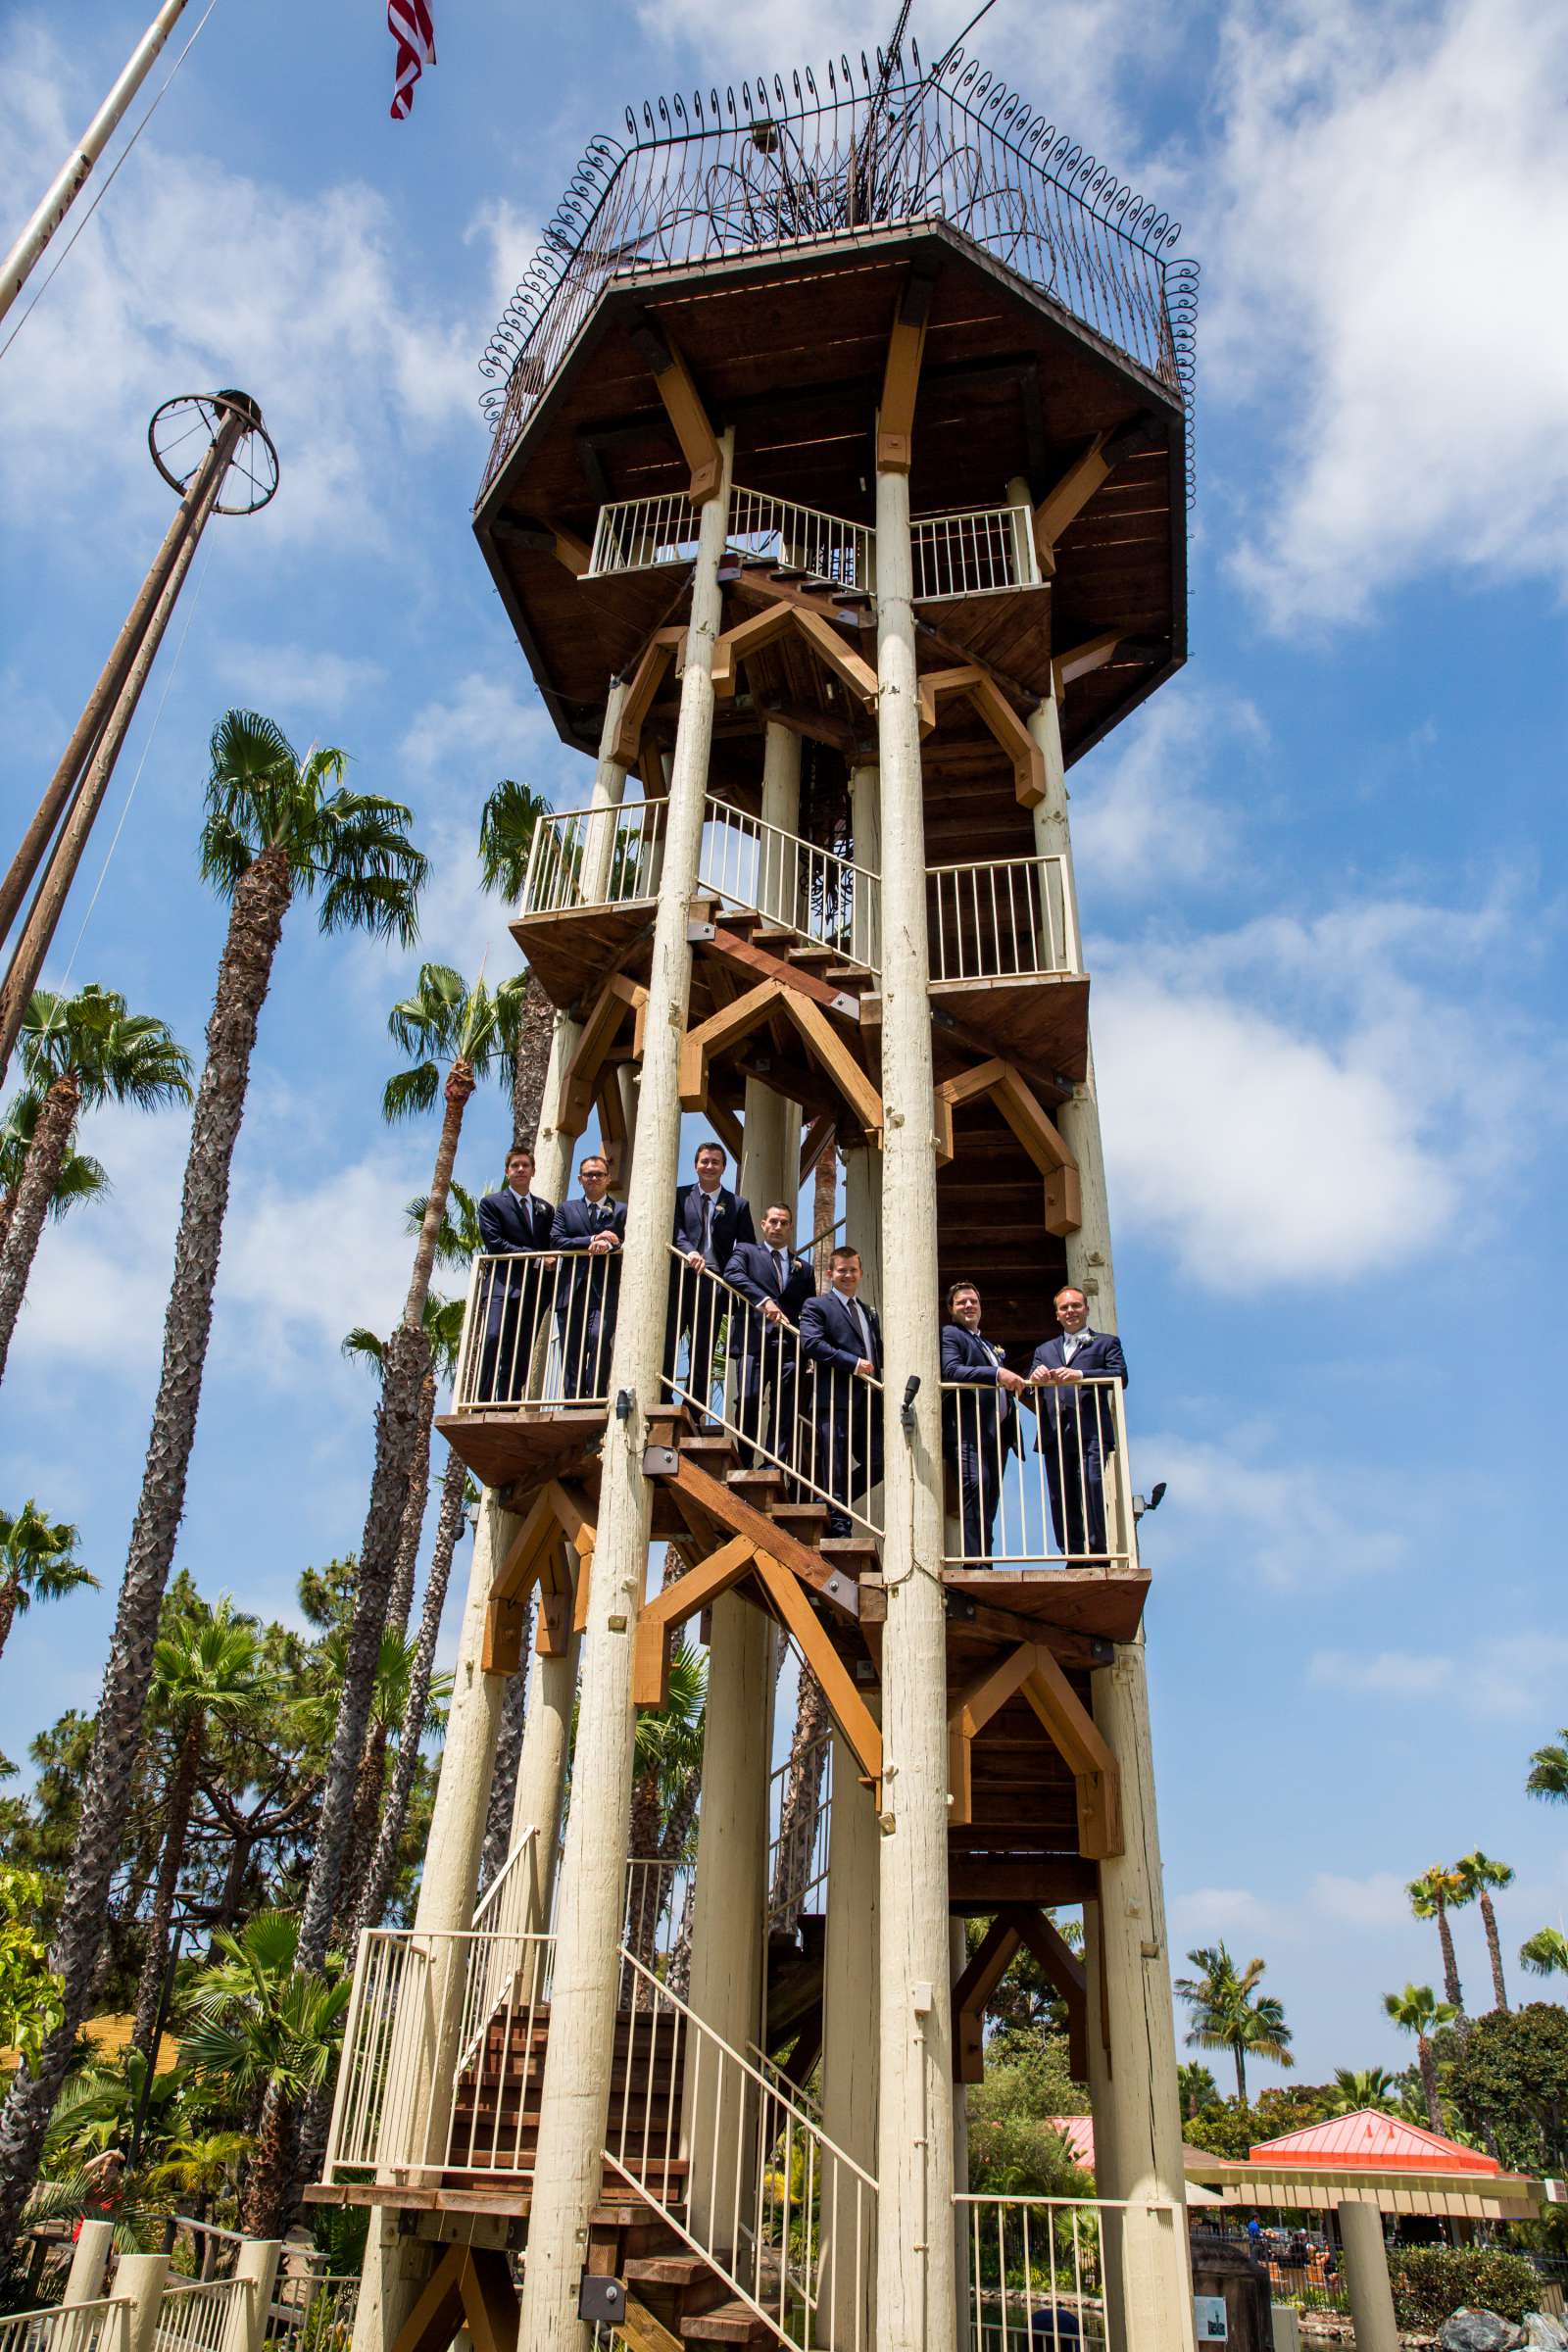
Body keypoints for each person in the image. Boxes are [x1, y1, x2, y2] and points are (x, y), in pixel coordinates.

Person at [1029, 1284, 1128, 1559]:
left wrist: (1080, 1375)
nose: (1070, 1311)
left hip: (1091, 1428)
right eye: (1064, 1307)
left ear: (1086, 1309)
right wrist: (1035, 1378)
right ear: (1057, 1315)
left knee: (1093, 1483)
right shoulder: (1044, 1350)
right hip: (1055, 1431)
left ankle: (1098, 1550)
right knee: (1061, 1494)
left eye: (1075, 1306)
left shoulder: (1106, 1342)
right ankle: (1072, 1553)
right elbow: (1027, 1389)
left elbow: (1120, 1376)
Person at [941, 1280, 1028, 1562]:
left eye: (973, 1301)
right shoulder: (951, 1335)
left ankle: (984, 1558)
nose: (968, 1305)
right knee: (976, 1488)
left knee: (989, 1498)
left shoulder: (989, 1344)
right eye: (962, 1302)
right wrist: (997, 1374)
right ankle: (975, 1561)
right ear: (951, 1309)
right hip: (968, 1431)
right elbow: (951, 1369)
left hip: (996, 1435)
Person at [665, 1140, 755, 1412]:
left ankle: (693, 1409)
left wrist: (730, 1272)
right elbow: (676, 1231)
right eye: (704, 1161)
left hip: (714, 1285)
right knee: (668, 1344)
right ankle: (663, 1400)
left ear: (724, 1167)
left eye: (715, 1162)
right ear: (695, 1166)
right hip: (681, 1279)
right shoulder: (679, 1196)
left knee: (703, 1351)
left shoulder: (737, 1204)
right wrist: (689, 1252)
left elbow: (746, 1246)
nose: (709, 1166)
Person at [799, 1246, 882, 1537]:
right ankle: (838, 1523)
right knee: (834, 1460)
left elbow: (877, 1354)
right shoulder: (817, 1306)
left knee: (879, 1461)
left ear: (861, 1273)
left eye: (853, 1270)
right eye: (842, 1270)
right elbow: (812, 1344)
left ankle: (832, 1500)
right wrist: (853, 1363)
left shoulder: (868, 1312)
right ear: (831, 1273)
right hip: (834, 1397)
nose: (848, 1275)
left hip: (869, 1401)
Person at [725, 1202, 814, 1465]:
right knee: (749, 1400)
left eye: (783, 1222)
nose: (777, 1227)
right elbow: (732, 1273)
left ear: (790, 1228)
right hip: (752, 1341)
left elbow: (808, 1310)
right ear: (763, 1224)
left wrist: (808, 1351)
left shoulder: (804, 1268)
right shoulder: (746, 1251)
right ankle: (744, 1458)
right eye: (773, 1221)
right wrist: (764, 1301)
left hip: (788, 1345)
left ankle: (772, 1463)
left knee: (784, 1408)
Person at [475, 1146, 555, 1402]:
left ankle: (507, 1402)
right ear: (507, 1171)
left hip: (534, 1289)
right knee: (493, 1336)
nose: (520, 1170)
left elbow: (551, 1243)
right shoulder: (492, 1204)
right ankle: (483, 1400)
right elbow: (495, 1243)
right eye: (515, 1166)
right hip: (503, 1283)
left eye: (525, 1166)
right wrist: (535, 1258)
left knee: (521, 1348)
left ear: (533, 1171)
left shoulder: (545, 1209)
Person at [548, 1153, 625, 1399]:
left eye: (599, 1174)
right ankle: (573, 1402)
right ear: (580, 1179)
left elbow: (627, 1242)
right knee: (571, 1349)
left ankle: (595, 1397)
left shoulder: (621, 1211)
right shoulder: (566, 1209)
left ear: (608, 1179)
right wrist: (593, 1239)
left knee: (599, 1339)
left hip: (605, 1290)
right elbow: (557, 1241)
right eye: (589, 1174)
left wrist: (612, 1243)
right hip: (572, 1289)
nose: (594, 1178)